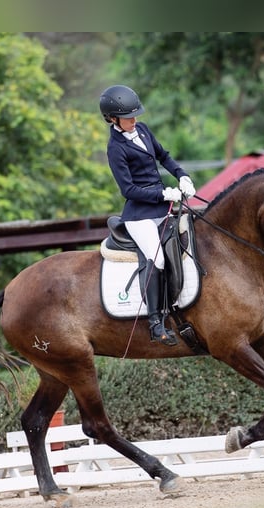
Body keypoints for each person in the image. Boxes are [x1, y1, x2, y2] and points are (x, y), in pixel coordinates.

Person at [100, 84, 196, 346]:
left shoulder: (141, 130)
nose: (134, 120)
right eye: (129, 117)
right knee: (158, 259)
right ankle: (155, 323)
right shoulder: (115, 148)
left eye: (135, 115)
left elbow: (163, 156)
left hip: (160, 208)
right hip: (139, 215)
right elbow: (128, 189)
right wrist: (163, 194)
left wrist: (181, 174)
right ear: (112, 118)